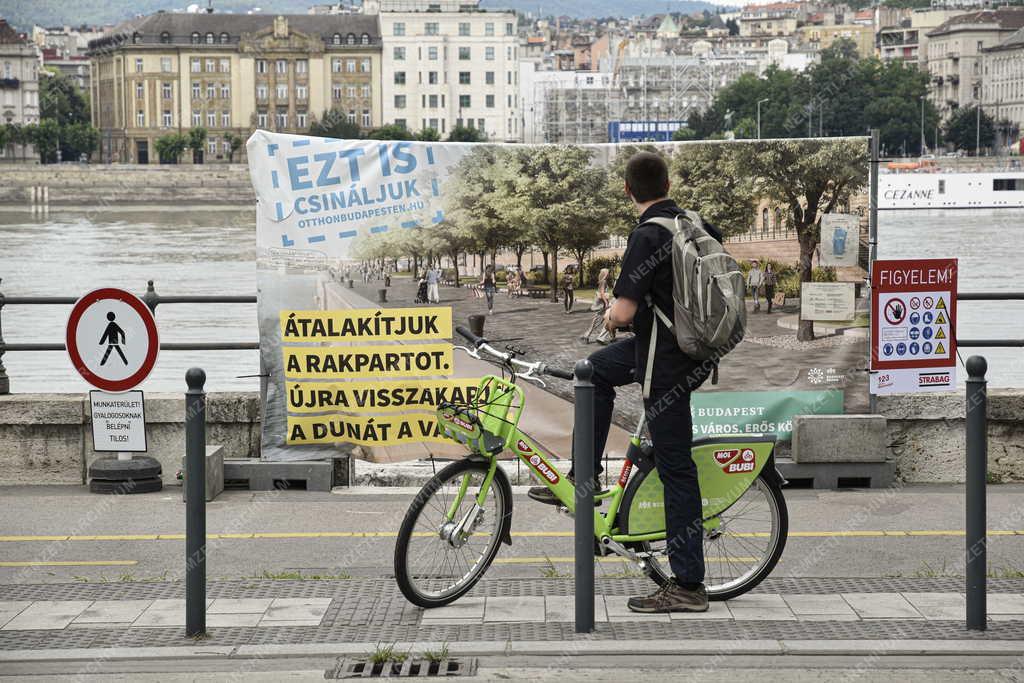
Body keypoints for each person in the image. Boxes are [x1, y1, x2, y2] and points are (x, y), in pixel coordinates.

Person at [528, 152, 719, 614]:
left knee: (676, 467)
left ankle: (689, 584)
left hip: (666, 361)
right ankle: (585, 478)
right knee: (591, 372)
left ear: (627, 191)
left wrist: (611, 316)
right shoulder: (695, 224)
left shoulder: (648, 234)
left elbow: (626, 311)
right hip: (688, 349)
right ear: (668, 183)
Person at [579, 267, 612, 343]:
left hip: (602, 304)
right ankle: (587, 336)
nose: (609, 274)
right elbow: (602, 293)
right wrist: (606, 303)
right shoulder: (603, 281)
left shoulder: (602, 281)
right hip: (602, 304)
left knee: (601, 320)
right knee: (599, 320)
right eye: (608, 273)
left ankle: (588, 335)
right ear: (605, 274)